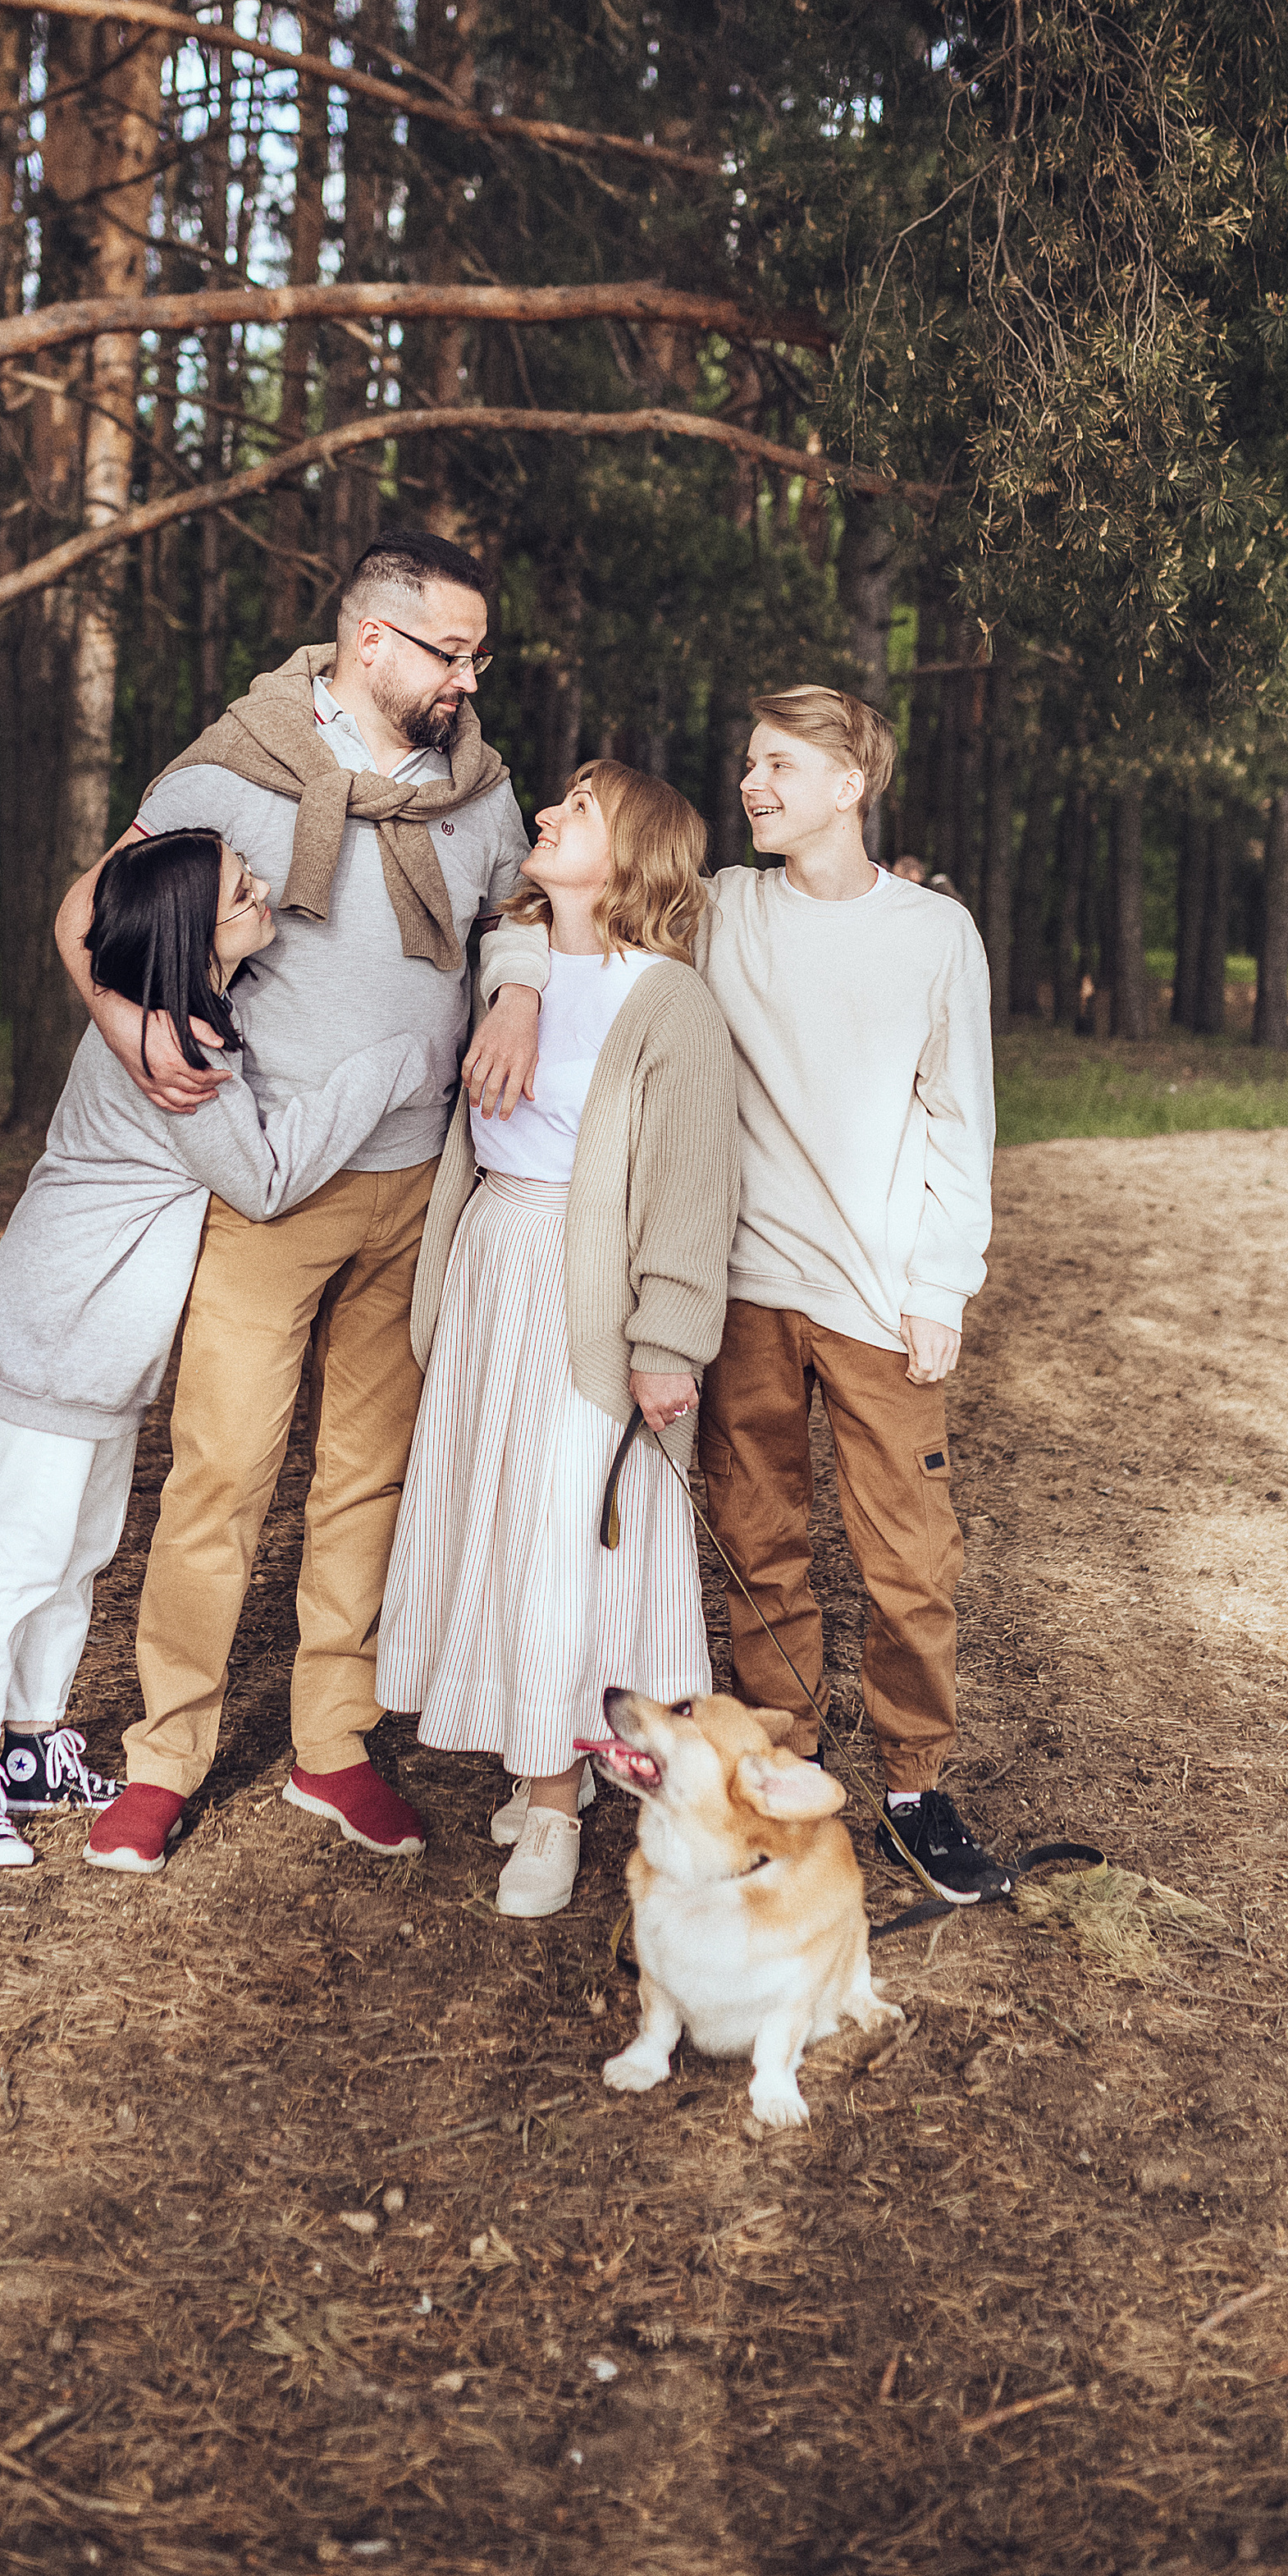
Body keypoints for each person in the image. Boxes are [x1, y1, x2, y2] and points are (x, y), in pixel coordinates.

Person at [48, 532, 541, 1875]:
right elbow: (89, 911)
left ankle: (333, 1743)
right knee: (222, 1475)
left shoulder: (480, 792)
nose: (468, 677)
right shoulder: (235, 770)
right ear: (370, 642)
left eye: (480, 655)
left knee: (367, 1479)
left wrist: (517, 988)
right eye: (451, 651)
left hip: (416, 1189)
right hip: (270, 1190)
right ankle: (166, 1760)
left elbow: (525, 914)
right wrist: (133, 1029)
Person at [486, 686, 1004, 1901]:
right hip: (743, 1296)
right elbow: (561, 922)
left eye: (778, 766)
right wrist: (513, 984)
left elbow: (959, 1119)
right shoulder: (719, 909)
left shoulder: (937, 937)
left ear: (848, 785)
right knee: (762, 1554)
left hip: (879, 1305)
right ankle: (783, 1769)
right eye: (748, 765)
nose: (752, 786)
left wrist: (942, 1286)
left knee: (908, 1563)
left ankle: (920, 1787)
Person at [0, 832, 426, 1869]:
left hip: (103, 1347)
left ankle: (31, 1743)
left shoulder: (177, 1023)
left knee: (76, 1555)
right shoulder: (173, 1056)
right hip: (64, 1329)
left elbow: (86, 919)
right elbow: (269, 1180)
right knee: (18, 1553)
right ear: (193, 935)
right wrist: (393, 1067)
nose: (264, 892)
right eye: (241, 890)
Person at [377, 762, 739, 1917]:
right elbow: (504, 937)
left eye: (577, 810)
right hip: (494, 1268)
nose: (545, 815)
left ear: (633, 855)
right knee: (500, 1517)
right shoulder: (513, 964)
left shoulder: (669, 998)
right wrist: (519, 981)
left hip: (587, 1298)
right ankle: (553, 1766)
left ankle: (548, 1804)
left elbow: (690, 1186)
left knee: (563, 1527)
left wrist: (669, 1339)